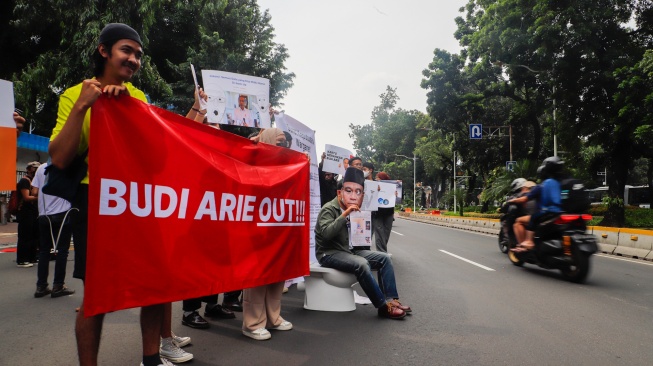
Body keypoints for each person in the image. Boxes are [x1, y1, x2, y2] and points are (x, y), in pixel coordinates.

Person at [48, 23, 187, 366]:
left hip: (140, 203)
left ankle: (151, 358)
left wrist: (132, 114)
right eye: (127, 50)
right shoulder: (74, 94)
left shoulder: (139, 99)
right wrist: (83, 106)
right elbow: (61, 157)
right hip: (96, 202)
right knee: (98, 295)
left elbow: (158, 159)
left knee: (155, 285)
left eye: (138, 55)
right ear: (104, 51)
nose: (134, 59)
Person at [315, 167, 411, 319]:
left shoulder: (359, 209)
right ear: (339, 193)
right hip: (330, 253)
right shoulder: (329, 209)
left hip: (350, 250)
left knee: (385, 258)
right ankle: (382, 306)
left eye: (358, 192)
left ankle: (391, 300)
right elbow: (326, 235)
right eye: (348, 191)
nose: (353, 196)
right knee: (361, 263)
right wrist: (345, 215)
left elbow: (360, 240)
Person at [241, 128, 295, 341]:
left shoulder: (286, 164)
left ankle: (273, 317)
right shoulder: (253, 160)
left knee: (277, 272)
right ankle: (252, 323)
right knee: (257, 274)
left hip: (278, 225)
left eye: (285, 143)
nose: (283, 146)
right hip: (257, 225)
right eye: (279, 142)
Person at [30, 162, 76, 298]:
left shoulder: (40, 168)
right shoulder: (67, 166)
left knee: (44, 251)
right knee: (62, 251)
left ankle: (41, 287)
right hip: (63, 214)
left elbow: (34, 191)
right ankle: (58, 286)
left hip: (44, 215)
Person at [511, 157, 564, 252]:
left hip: (546, 212)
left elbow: (524, 199)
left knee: (521, 220)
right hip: (560, 212)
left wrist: (512, 201)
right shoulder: (560, 183)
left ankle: (526, 243)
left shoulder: (541, 186)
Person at [16, 161, 40, 267]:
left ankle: (32, 258)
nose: (36, 170)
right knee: (25, 236)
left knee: (34, 235)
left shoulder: (35, 181)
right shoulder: (24, 181)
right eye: (35, 168)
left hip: (34, 211)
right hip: (25, 212)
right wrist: (40, 197)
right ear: (29, 169)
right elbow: (26, 197)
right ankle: (22, 260)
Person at [373, 171, 395, 253]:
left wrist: (396, 195)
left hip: (388, 212)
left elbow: (394, 200)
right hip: (377, 212)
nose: (376, 179)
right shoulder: (374, 185)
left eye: (378, 177)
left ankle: (382, 251)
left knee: (386, 233)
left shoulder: (391, 187)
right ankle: (381, 253)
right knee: (379, 233)